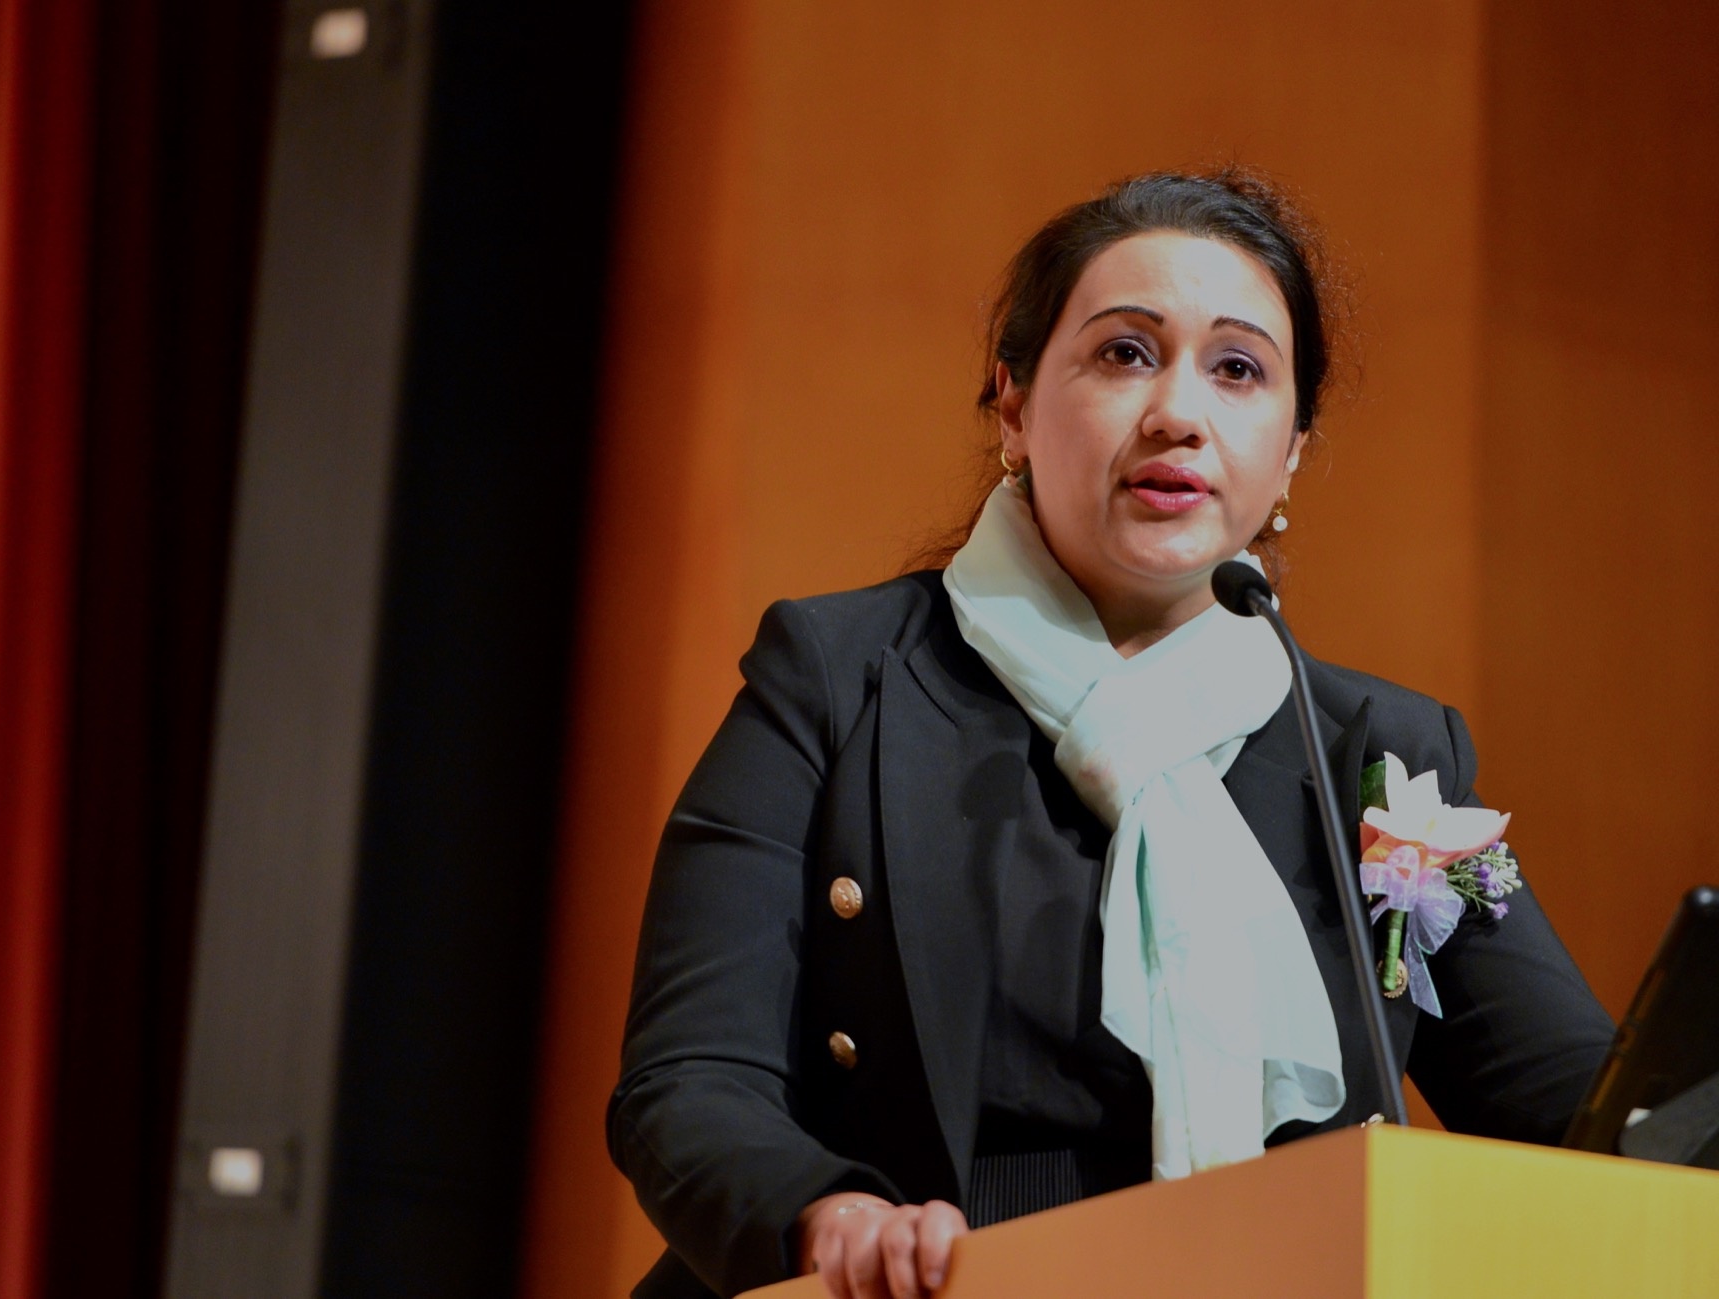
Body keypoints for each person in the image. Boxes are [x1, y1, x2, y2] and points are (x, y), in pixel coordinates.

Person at [607, 169, 1613, 1299]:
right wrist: (827, 1217)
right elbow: (687, 1083)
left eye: (1238, 369)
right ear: (1013, 407)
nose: (1179, 412)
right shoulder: (839, 679)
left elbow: (1589, 1118)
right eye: (1127, 353)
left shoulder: (1384, 755)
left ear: (1291, 449)